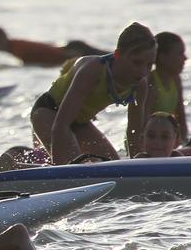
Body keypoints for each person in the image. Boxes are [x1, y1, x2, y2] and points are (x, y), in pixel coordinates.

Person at [30, 22, 157, 164]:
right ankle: (13, 166)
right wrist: (61, 169)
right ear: (118, 55)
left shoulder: (140, 85)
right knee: (76, 166)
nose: (143, 71)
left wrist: (136, 167)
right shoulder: (93, 70)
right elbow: (60, 126)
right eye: (137, 62)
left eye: (149, 65)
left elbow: (134, 133)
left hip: (79, 123)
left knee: (112, 164)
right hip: (48, 112)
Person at [0, 27, 104, 67]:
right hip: (69, 50)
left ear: (3, 37)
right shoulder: (15, 47)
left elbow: (46, 51)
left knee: (114, 56)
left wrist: (67, 55)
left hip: (74, 51)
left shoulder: (19, 49)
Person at [148, 32, 188, 140]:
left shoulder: (176, 80)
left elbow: (181, 119)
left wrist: (184, 142)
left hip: (166, 140)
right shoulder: (151, 82)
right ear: (162, 57)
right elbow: (142, 124)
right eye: (180, 53)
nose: (185, 58)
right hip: (149, 141)